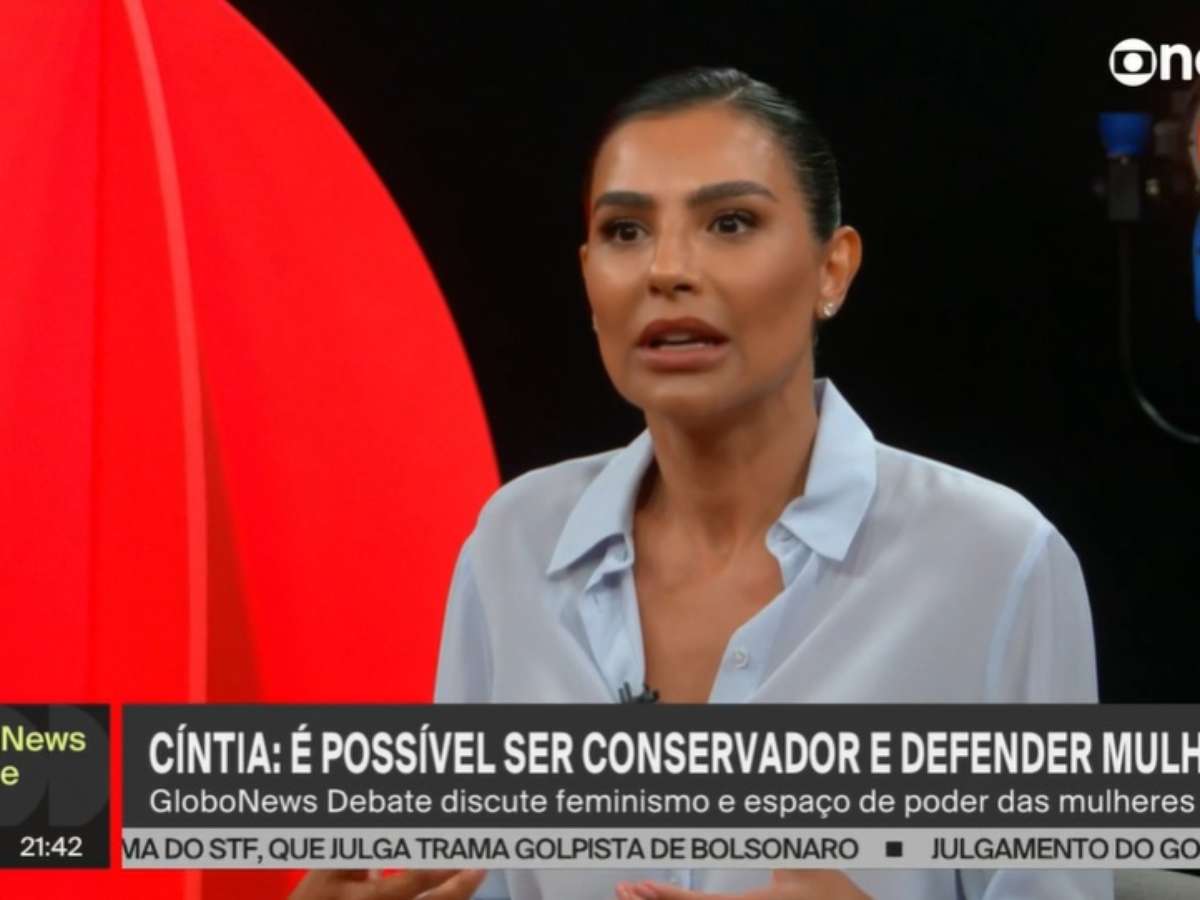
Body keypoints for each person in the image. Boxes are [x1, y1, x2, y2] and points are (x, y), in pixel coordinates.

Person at [299, 67, 1111, 899]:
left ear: (832, 269)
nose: (667, 270)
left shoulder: (994, 560)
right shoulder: (515, 539)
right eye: (625, 232)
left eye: (730, 222)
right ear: (588, 277)